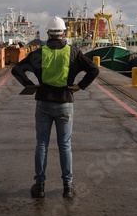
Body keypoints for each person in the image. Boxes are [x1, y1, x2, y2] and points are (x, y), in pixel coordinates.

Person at [11, 16, 100, 198]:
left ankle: (39, 186)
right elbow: (94, 69)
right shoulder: (73, 53)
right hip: (65, 103)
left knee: (42, 144)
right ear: (64, 33)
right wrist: (79, 86)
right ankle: (67, 186)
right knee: (65, 145)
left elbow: (16, 70)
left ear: (48, 33)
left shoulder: (38, 53)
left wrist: (30, 85)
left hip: (43, 102)